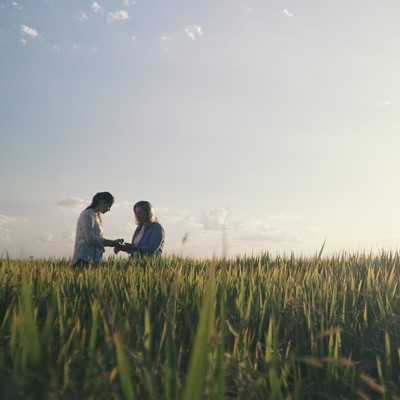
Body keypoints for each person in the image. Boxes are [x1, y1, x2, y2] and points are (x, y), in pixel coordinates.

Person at [72, 192, 124, 267]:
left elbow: (97, 238)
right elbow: (91, 239)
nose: (109, 209)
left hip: (91, 259)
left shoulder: (96, 216)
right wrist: (111, 243)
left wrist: (113, 242)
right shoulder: (87, 215)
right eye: (109, 206)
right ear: (102, 202)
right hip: (83, 259)